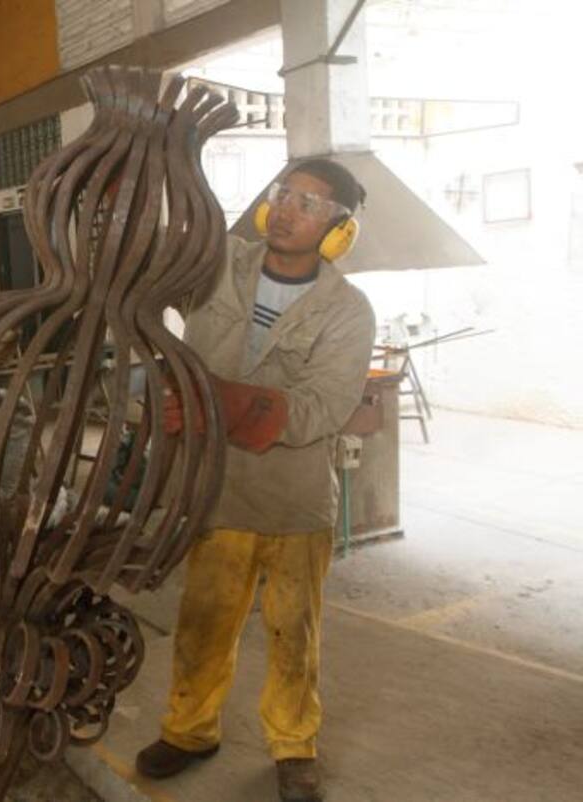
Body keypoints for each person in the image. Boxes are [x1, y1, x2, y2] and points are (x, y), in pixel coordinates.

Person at [139, 159, 376, 802]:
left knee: (293, 632)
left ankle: (294, 746)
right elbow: (147, 276)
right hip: (217, 489)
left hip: (294, 498)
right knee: (203, 621)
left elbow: (323, 409)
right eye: (285, 194)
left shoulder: (347, 312)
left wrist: (213, 400)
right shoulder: (220, 265)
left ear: (338, 231)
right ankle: (190, 731)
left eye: (311, 203)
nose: (291, 209)